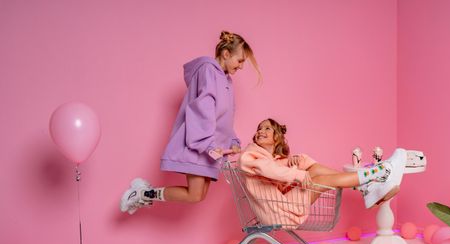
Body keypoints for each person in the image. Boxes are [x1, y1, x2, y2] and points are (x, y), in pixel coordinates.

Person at [120, 31, 260, 214]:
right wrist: (208, 144)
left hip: (211, 148)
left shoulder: (226, 80)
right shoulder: (209, 71)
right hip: (200, 145)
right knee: (195, 195)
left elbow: (225, 117)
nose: (241, 66)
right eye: (240, 61)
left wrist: (232, 140)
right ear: (226, 54)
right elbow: (203, 108)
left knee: (199, 196)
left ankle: (144, 194)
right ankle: (142, 193)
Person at [239, 118, 408, 212]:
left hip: (283, 203)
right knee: (320, 179)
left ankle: (367, 185)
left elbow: (277, 178)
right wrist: (298, 173)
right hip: (279, 209)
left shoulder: (272, 160)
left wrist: (296, 164)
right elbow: (268, 169)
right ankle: (375, 175)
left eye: (267, 128)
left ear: (276, 138)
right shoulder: (250, 154)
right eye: (259, 128)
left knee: (310, 166)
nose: (261, 131)